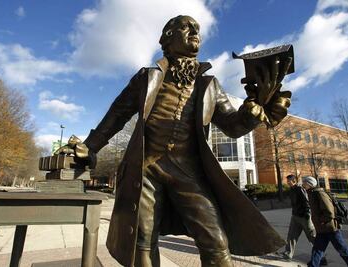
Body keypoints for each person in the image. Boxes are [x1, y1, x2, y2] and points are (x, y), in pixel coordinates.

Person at [73, 15, 292, 267]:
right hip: (146, 168)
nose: (195, 31)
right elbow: (117, 114)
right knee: (141, 240)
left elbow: (233, 126)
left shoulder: (209, 84)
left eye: (197, 29)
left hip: (188, 170)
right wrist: (90, 146)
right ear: (167, 37)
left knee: (216, 241)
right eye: (186, 27)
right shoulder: (146, 77)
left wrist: (254, 113)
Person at [302, 176, 348, 267]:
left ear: (309, 184)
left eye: (304, 183)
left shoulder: (320, 194)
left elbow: (329, 212)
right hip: (322, 229)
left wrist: (321, 221)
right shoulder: (311, 193)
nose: (303, 185)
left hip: (330, 228)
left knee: (342, 250)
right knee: (317, 250)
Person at [280, 174, 316, 261]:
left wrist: (307, 213)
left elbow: (306, 201)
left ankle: (321, 255)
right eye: (287, 181)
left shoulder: (300, 189)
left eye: (289, 181)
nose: (288, 183)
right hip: (295, 216)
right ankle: (288, 253)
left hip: (304, 217)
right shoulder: (291, 190)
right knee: (291, 235)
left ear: (294, 181)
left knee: (312, 236)